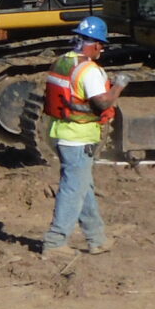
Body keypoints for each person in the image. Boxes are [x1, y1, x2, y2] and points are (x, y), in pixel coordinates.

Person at [40, 17, 119, 255]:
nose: (102, 50)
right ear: (94, 44)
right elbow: (101, 102)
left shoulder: (63, 62)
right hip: (78, 137)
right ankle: (55, 242)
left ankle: (96, 238)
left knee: (83, 185)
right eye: (102, 45)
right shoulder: (90, 70)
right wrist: (120, 86)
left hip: (60, 132)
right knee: (73, 187)